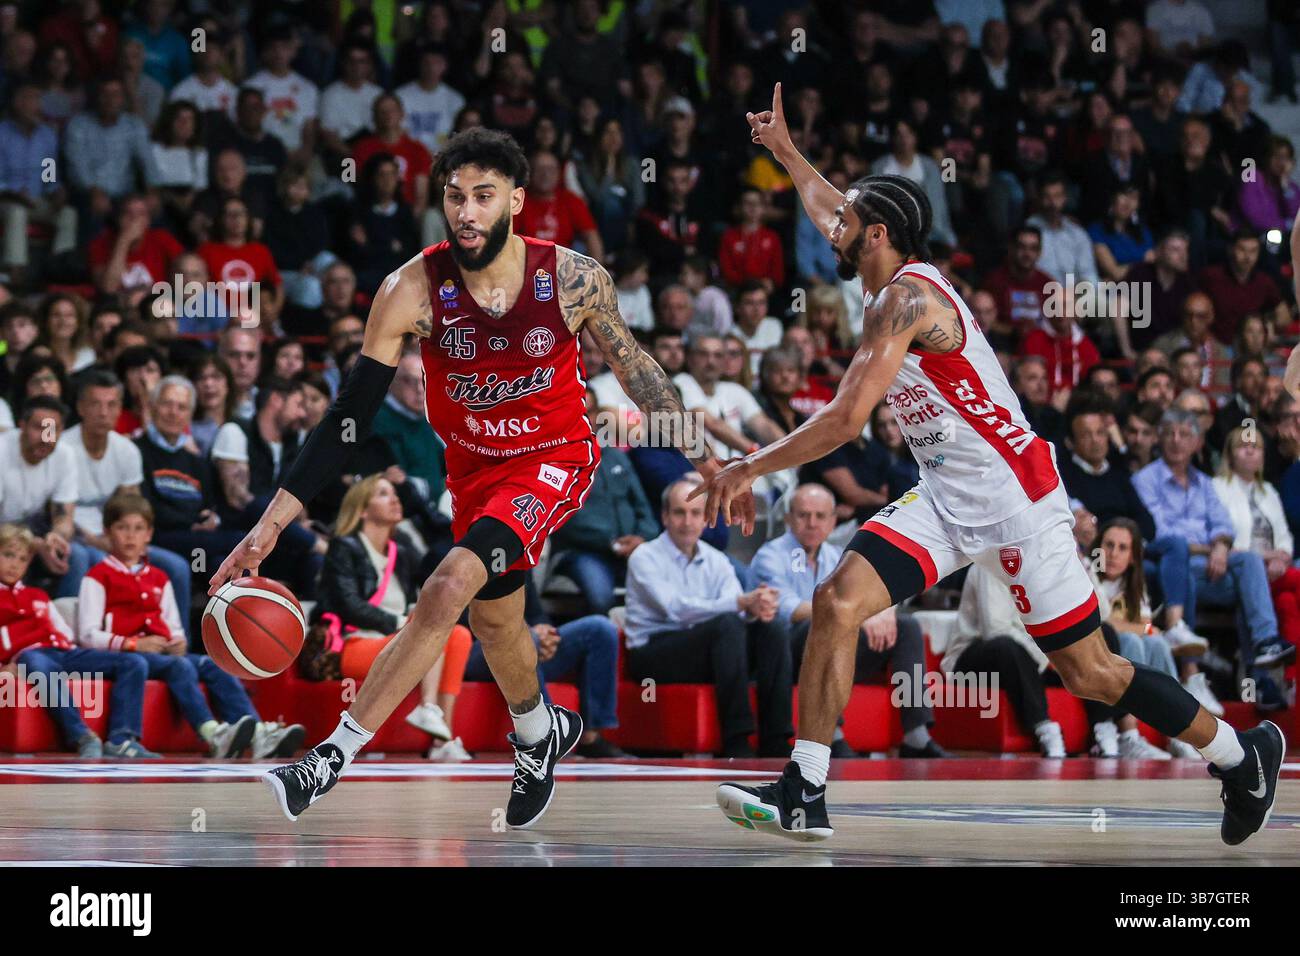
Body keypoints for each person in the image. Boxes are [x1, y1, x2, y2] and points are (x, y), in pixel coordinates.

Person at [699, 84, 1285, 845]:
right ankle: (805, 788)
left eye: (845, 222)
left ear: (874, 237)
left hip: (1016, 502)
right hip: (945, 495)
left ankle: (1241, 756)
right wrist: (783, 152)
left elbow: (846, 421)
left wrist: (747, 465)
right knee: (841, 601)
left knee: (1093, 673)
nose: (827, 222)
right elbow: (833, 206)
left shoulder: (903, 304)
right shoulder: (885, 264)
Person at [209, 128, 733, 828]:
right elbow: (348, 418)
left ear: (515, 201)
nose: (466, 211)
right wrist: (267, 527)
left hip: (553, 457)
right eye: (455, 196)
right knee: (496, 616)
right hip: (473, 472)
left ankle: (330, 758)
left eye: (483, 196)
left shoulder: (572, 278)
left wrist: (709, 462)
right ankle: (539, 733)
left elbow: (641, 375)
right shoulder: (409, 289)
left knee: (450, 584)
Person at [76, 493, 304, 759]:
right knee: (179, 665)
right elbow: (87, 635)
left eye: (138, 529)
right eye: (122, 528)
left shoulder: (160, 578)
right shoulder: (97, 576)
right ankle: (212, 733)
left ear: (149, 535)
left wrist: (177, 641)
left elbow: (173, 626)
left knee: (214, 664)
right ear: (107, 532)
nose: (130, 536)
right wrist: (134, 644)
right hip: (125, 656)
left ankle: (258, 733)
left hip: (161, 654)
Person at [751, 484, 948, 758]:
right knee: (822, 625)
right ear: (788, 518)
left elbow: (875, 592)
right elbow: (786, 609)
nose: (812, 523)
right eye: (803, 515)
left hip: (844, 643)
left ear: (833, 521)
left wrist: (884, 611)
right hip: (790, 652)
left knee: (907, 626)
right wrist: (854, 614)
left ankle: (916, 736)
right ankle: (831, 735)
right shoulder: (771, 555)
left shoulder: (839, 557)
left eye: (820, 516)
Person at [625, 477, 791, 758]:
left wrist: (755, 607)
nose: (687, 521)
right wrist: (741, 603)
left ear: (706, 519)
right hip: (653, 653)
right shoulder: (644, 556)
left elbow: (736, 608)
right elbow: (675, 608)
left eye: (695, 513)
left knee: (771, 629)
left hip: (710, 647)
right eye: (679, 512)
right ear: (665, 517)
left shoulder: (717, 559)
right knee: (726, 625)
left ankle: (776, 740)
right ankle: (736, 740)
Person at [316, 474, 472, 762]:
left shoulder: (402, 550)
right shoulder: (344, 547)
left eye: (395, 493)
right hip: (354, 643)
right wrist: (402, 623)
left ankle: (442, 737)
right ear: (362, 509)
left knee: (458, 634)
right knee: (423, 631)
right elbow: (348, 605)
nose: (395, 499)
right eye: (383, 494)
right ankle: (427, 708)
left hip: (396, 638)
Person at [0, 522, 156, 758]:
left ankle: (121, 739)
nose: (15, 564)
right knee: (37, 662)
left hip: (64, 652)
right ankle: (81, 735)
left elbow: (65, 634)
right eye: (8, 555)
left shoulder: (37, 596)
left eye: (22, 559)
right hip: (28, 656)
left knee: (133, 662)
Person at [1088, 518, 1197, 758]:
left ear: (1134, 557)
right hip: (1094, 651)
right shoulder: (1087, 574)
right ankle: (1128, 735)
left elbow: (1147, 626)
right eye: (1108, 545)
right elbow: (1102, 624)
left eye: (1123, 548)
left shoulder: (1134, 584)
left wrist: (1141, 628)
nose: (1113, 554)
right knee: (1131, 641)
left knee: (1157, 643)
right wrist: (1138, 628)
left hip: (1129, 646)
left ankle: (1178, 734)